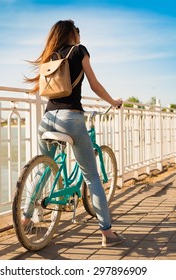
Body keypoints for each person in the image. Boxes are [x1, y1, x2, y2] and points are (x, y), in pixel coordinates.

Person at [24, 20, 124, 247]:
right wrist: (113, 102)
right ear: (72, 33)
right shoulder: (79, 51)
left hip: (47, 119)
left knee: (45, 170)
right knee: (92, 177)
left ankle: (25, 217)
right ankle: (107, 233)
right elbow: (95, 85)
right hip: (71, 119)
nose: (80, 35)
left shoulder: (51, 56)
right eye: (78, 31)